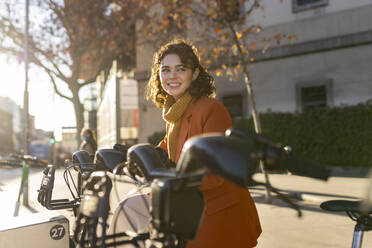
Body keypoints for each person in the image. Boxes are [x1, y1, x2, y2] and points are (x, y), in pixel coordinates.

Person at [146, 39, 262, 248]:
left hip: (218, 216)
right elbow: (164, 150)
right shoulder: (175, 113)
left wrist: (170, 182)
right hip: (188, 209)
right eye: (166, 70)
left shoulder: (210, 109)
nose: (172, 76)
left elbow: (213, 172)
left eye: (180, 69)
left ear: (195, 73)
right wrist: (133, 157)